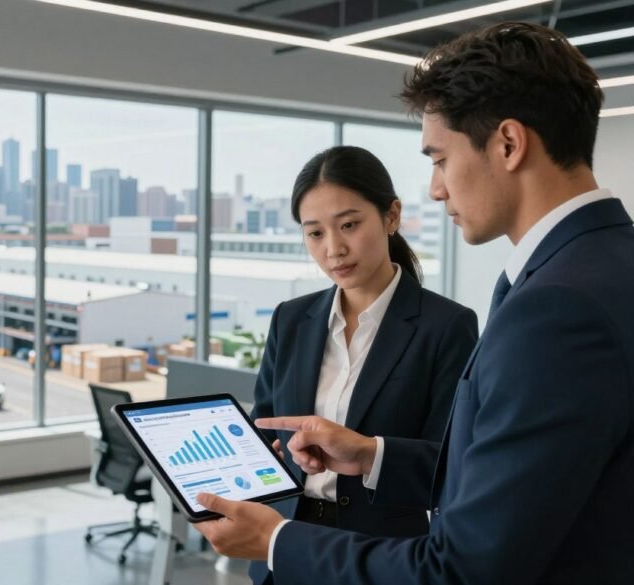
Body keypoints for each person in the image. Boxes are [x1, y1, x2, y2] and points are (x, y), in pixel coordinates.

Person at [194, 21, 634, 584]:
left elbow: (464, 568)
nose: (437, 188)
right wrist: (372, 454)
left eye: (439, 158)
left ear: (507, 143)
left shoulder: (556, 309)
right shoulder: (599, 264)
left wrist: (276, 541)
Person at [247, 145, 477, 585]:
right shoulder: (291, 319)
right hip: (284, 544)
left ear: (391, 216)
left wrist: (370, 453)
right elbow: (265, 423)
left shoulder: (447, 326)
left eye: (349, 225)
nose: (334, 249)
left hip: (382, 556)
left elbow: (453, 465)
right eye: (315, 233)